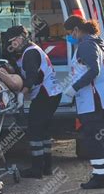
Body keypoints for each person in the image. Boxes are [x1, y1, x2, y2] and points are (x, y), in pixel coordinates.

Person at [63, 15, 104, 189]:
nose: (69, 37)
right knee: (102, 136)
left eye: (69, 33)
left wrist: (75, 88)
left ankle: (99, 177)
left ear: (76, 30)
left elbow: (93, 70)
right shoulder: (95, 42)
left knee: (94, 138)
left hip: (94, 100)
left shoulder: (86, 45)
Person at [6, 25, 62, 179]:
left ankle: (37, 169)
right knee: (43, 130)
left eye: (13, 41)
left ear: (20, 38)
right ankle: (46, 167)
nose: (12, 45)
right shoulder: (29, 50)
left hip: (46, 94)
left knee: (35, 129)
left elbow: (32, 78)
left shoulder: (30, 53)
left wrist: (21, 94)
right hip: (51, 94)